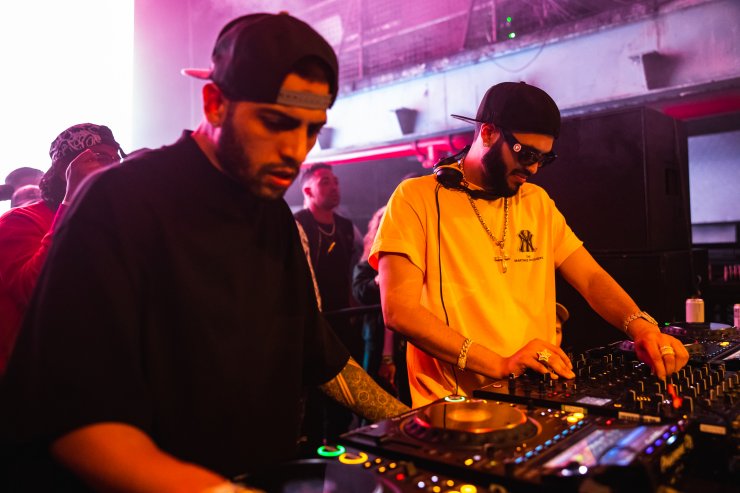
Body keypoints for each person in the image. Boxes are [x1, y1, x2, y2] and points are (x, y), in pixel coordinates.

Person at [0, 12, 408, 493]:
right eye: (275, 123)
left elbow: (320, 354)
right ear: (214, 103)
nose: (296, 151)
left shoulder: (272, 214)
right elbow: (73, 422)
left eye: (310, 129)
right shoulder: (119, 200)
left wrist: (416, 424)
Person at [370, 81, 690, 408]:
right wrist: (499, 364)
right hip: (456, 407)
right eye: (526, 154)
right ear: (488, 133)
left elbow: (591, 278)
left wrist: (641, 327)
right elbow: (399, 311)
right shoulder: (416, 198)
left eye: (544, 158)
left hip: (535, 396)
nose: (534, 168)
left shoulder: (537, 202)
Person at [0, 124, 124, 376]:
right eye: (100, 157)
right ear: (64, 169)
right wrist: (72, 199)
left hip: (91, 373)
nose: (112, 167)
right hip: (32, 379)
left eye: (116, 160)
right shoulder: (19, 220)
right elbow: (33, 290)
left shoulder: (108, 225)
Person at [294, 163, 364, 447]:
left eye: (335, 181)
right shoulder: (297, 224)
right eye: (325, 182)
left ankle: (341, 451)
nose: (334, 186)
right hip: (312, 324)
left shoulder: (346, 227)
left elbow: (352, 272)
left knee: (342, 400)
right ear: (308, 190)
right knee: (314, 398)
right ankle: (313, 454)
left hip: (342, 322)